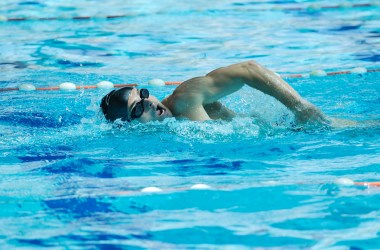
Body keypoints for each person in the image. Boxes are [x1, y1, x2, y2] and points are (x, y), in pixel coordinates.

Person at [100, 60, 329, 125]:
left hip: (300, 130)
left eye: (143, 96)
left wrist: (299, 107)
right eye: (138, 108)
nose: (148, 103)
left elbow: (248, 69)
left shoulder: (186, 96)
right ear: (128, 125)